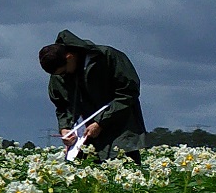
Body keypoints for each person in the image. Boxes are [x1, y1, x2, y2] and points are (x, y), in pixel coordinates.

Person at [38, 30, 145, 162]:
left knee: (125, 174)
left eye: (63, 71)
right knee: (86, 179)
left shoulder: (107, 57)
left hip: (120, 135)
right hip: (85, 141)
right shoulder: (59, 75)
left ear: (69, 57)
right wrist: (65, 128)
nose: (62, 76)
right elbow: (62, 105)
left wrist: (100, 122)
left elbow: (128, 93)